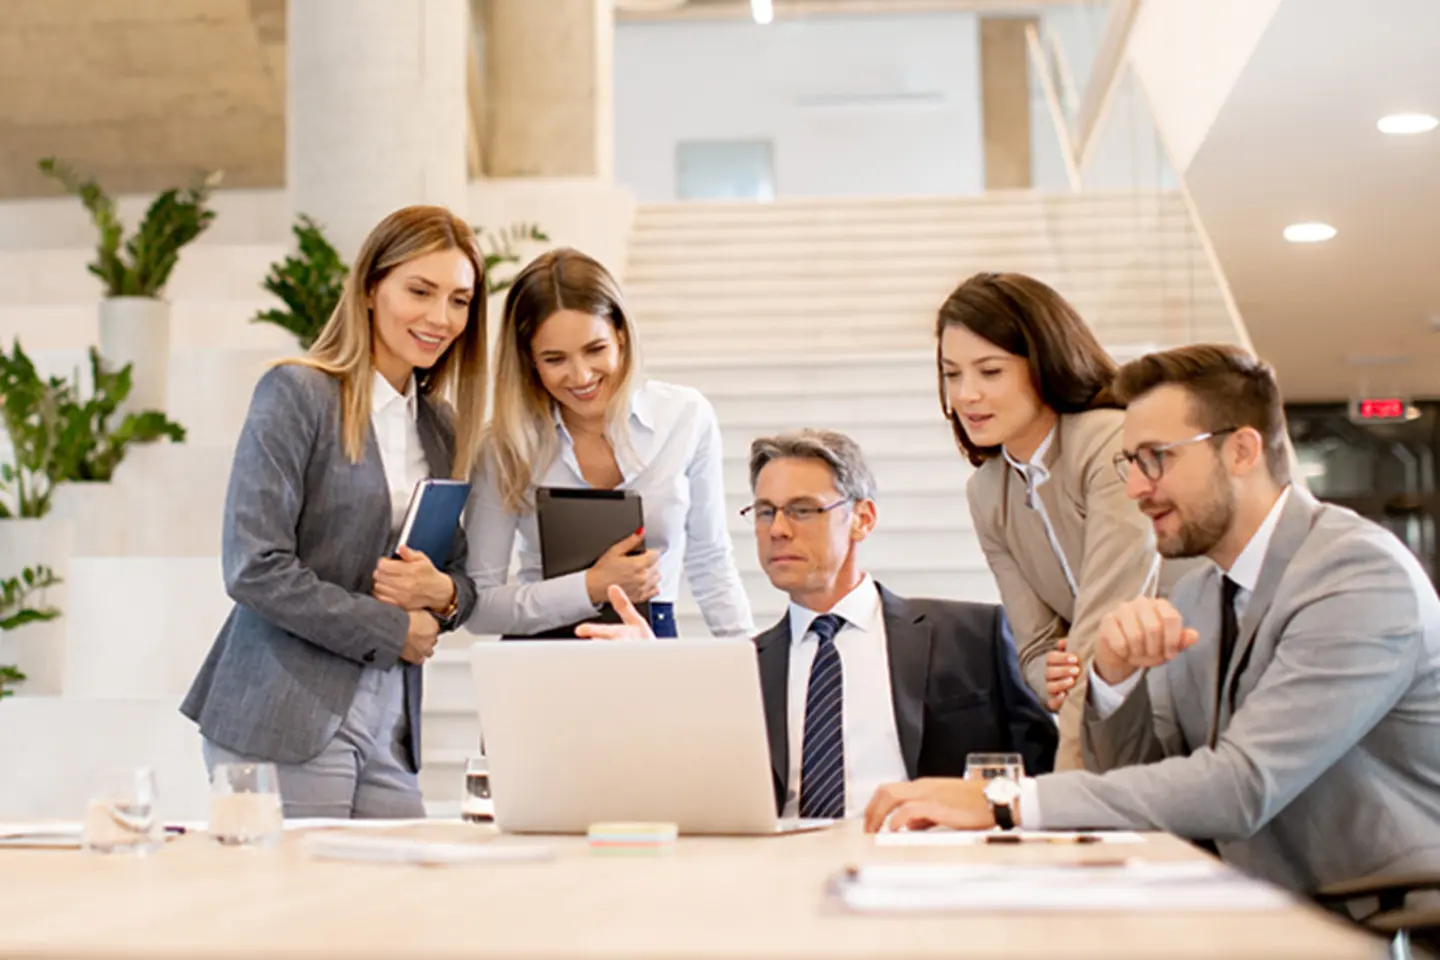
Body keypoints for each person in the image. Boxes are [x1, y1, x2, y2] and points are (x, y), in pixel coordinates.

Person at [864, 344, 1440, 896]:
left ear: (1241, 451)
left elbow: (1242, 786)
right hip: (1238, 900)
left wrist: (1006, 801)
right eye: (1130, 462)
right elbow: (1144, 776)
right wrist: (1114, 684)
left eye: (1156, 458)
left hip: (1371, 915)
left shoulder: (1355, 574)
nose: (1136, 488)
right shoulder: (1198, 595)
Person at [181, 205, 488, 818]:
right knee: (302, 885)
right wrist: (392, 630)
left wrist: (447, 595)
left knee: (403, 880)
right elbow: (254, 566)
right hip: (285, 711)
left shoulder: (441, 425)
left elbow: (457, 572)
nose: (440, 317)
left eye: (459, 300)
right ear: (372, 287)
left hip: (391, 723)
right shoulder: (297, 393)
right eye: (420, 291)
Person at [582, 428, 1057, 819]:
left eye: (802, 510)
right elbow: (693, 792)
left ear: (862, 519)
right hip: (779, 876)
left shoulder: (974, 635)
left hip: (925, 867)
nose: (777, 529)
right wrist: (655, 676)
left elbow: (1047, 778)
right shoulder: (743, 668)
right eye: (765, 511)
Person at [938, 272, 1166, 770]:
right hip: (1112, 703)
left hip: (1187, 690)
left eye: (990, 371)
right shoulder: (986, 491)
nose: (966, 394)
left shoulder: (1110, 441)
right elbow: (1035, 646)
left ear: (1044, 363)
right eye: (952, 374)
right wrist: (1050, 675)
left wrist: (1067, 781)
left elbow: (1111, 611)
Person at [465, 247, 752, 639]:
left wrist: (749, 660)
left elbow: (710, 560)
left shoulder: (685, 417)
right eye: (555, 359)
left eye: (595, 350)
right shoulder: (504, 445)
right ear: (528, 358)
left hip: (649, 638)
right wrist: (590, 587)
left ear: (620, 334)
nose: (581, 376)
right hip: (542, 647)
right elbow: (480, 606)